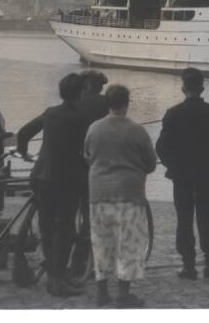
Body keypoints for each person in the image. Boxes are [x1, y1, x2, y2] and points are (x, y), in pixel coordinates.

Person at [84, 84, 156, 308]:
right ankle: (123, 294)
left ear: (107, 103)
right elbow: (151, 163)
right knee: (129, 243)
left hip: (98, 192)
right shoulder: (137, 130)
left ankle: (101, 292)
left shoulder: (94, 128)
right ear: (127, 103)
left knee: (101, 242)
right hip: (129, 193)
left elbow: (87, 156)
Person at [17, 73, 88, 297]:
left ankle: (54, 272)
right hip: (65, 179)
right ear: (81, 93)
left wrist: (24, 152)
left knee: (47, 227)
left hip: (40, 176)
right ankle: (57, 281)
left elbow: (24, 132)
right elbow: (88, 149)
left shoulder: (50, 113)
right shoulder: (81, 117)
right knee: (65, 228)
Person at [156, 67, 209, 279]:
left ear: (183, 88)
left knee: (184, 217)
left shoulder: (172, 113)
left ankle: (188, 265)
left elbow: (161, 146)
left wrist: (172, 165)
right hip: (207, 173)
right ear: (202, 87)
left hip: (182, 175)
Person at [69, 69, 111, 277]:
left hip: (69, 164)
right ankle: (80, 259)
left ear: (85, 86)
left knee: (68, 211)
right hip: (94, 165)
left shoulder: (74, 103)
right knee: (90, 214)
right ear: (99, 87)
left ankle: (63, 259)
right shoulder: (105, 104)